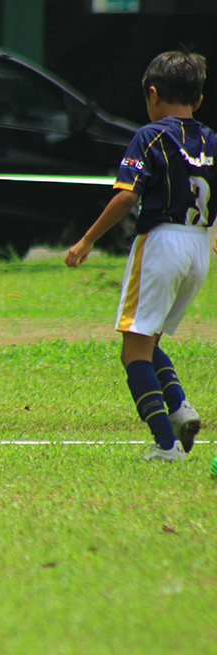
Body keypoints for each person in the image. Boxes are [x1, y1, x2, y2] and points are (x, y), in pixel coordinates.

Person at [65, 49, 217, 461]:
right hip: (199, 246)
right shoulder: (210, 139)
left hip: (162, 242)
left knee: (133, 349)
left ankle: (166, 445)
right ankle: (180, 407)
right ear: (198, 100)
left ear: (152, 93)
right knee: (148, 338)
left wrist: (88, 240)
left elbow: (127, 194)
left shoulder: (149, 136)